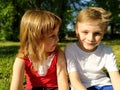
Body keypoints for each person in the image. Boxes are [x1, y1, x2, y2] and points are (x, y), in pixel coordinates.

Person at [10, 10, 69, 90]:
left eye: (57, 34)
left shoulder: (57, 54)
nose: (57, 39)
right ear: (35, 38)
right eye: (52, 36)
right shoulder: (22, 59)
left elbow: (63, 84)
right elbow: (15, 87)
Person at [65, 7, 120, 90]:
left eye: (97, 33)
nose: (91, 38)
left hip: (104, 85)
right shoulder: (70, 50)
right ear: (77, 31)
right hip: (81, 87)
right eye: (85, 32)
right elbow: (75, 80)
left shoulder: (106, 50)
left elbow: (115, 78)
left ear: (103, 34)